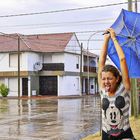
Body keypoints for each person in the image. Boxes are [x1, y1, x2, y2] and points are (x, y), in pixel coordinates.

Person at [98, 28, 136, 140]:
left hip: (124, 135)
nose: (105, 82)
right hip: (106, 135)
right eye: (104, 79)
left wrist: (114, 38)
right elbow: (101, 61)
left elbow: (123, 59)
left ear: (117, 78)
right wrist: (106, 39)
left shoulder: (125, 88)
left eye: (109, 79)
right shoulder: (102, 90)